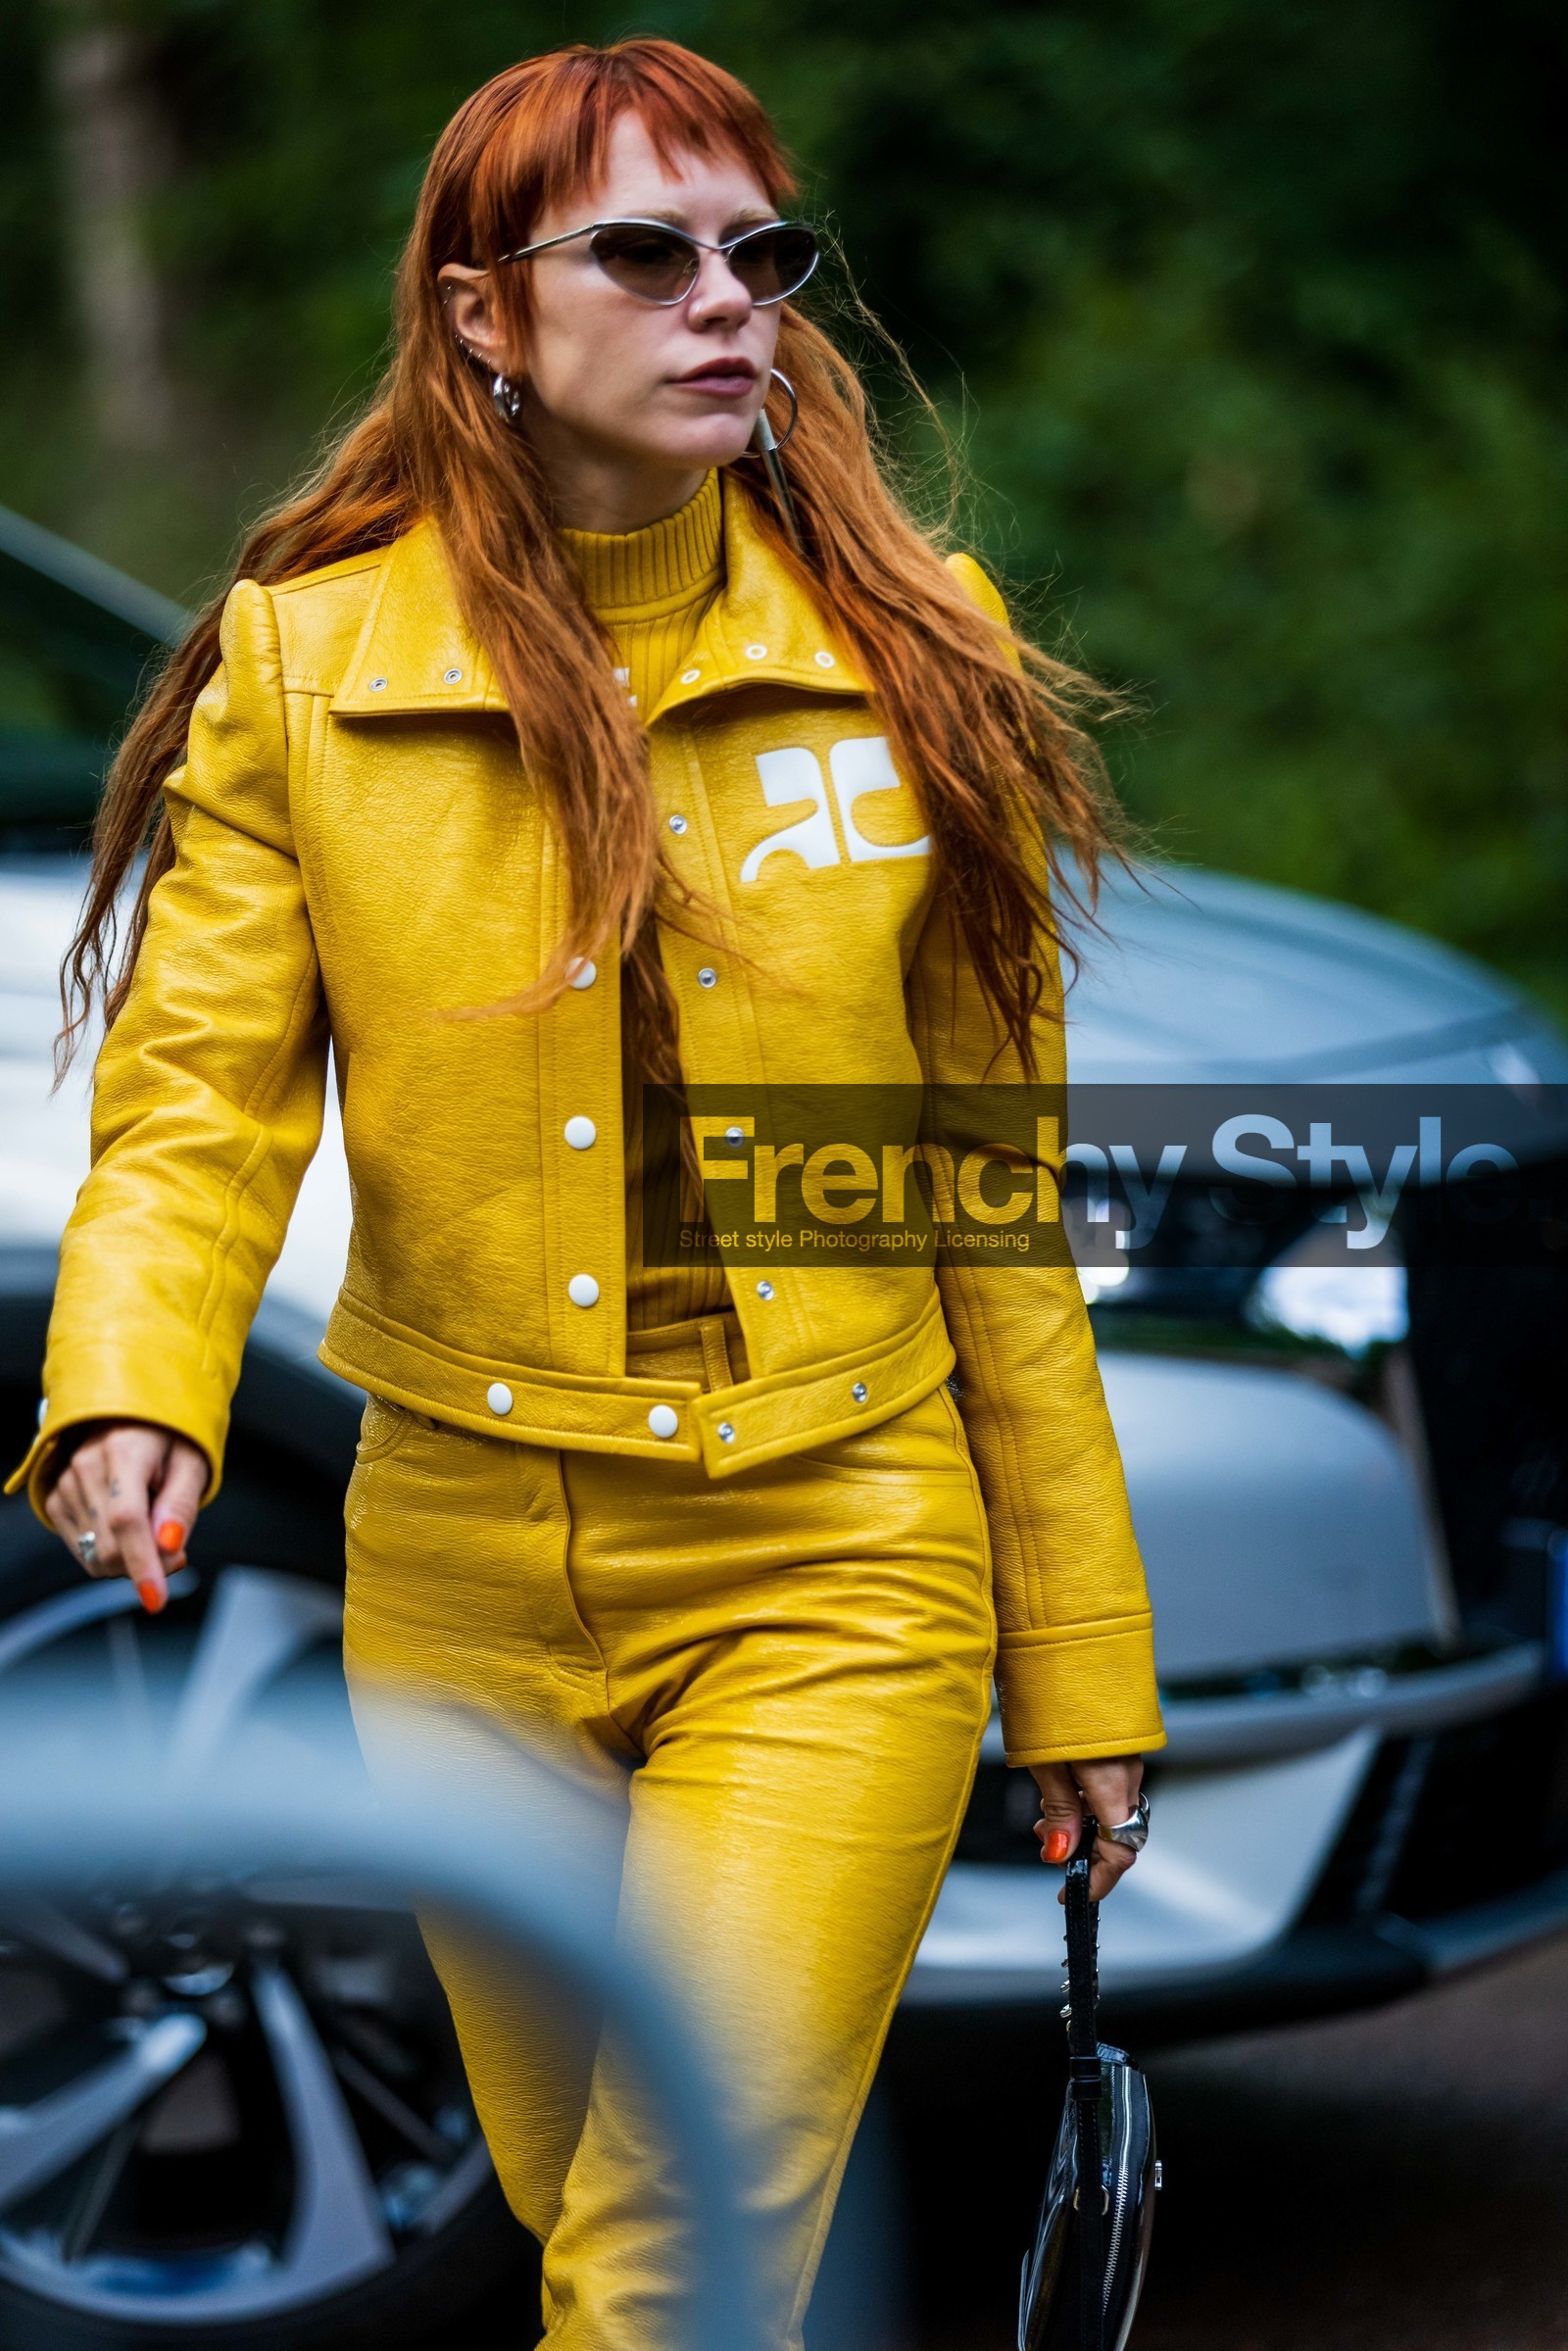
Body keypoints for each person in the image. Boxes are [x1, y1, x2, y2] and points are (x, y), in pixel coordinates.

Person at [11, 37, 1163, 2349]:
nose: (725, 298)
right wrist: (133, 1392)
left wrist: (1079, 1658)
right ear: (479, 316)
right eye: (645, 251)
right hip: (458, 1577)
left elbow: (977, 1218)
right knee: (602, 2233)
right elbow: (198, 1110)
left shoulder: (904, 654)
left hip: (836, 1551)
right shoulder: (304, 666)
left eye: (760, 252)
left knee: (667, 2239)